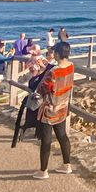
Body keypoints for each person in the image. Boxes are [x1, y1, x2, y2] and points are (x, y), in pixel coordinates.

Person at [32, 41, 74, 179]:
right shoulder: (71, 66)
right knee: (62, 136)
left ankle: (43, 171)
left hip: (50, 108)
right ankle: (67, 165)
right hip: (63, 106)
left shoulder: (53, 72)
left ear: (57, 54)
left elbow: (42, 89)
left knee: (46, 140)